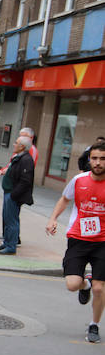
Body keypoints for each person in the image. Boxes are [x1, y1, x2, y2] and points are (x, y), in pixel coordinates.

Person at [46, 141, 105, 342]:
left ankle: (94, 325)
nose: (98, 163)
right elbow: (64, 199)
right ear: (89, 160)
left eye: (102, 159)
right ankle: (85, 285)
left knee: (100, 288)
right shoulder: (79, 180)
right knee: (72, 284)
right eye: (94, 158)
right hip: (78, 239)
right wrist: (53, 219)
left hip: (102, 242)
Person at [0, 135, 35, 255]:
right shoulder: (18, 157)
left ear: (22, 146)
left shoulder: (26, 160)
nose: (14, 145)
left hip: (13, 195)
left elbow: (25, 181)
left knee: (12, 221)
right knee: (7, 219)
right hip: (9, 192)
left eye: (16, 143)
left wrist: (13, 195)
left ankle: (11, 246)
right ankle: (6, 242)